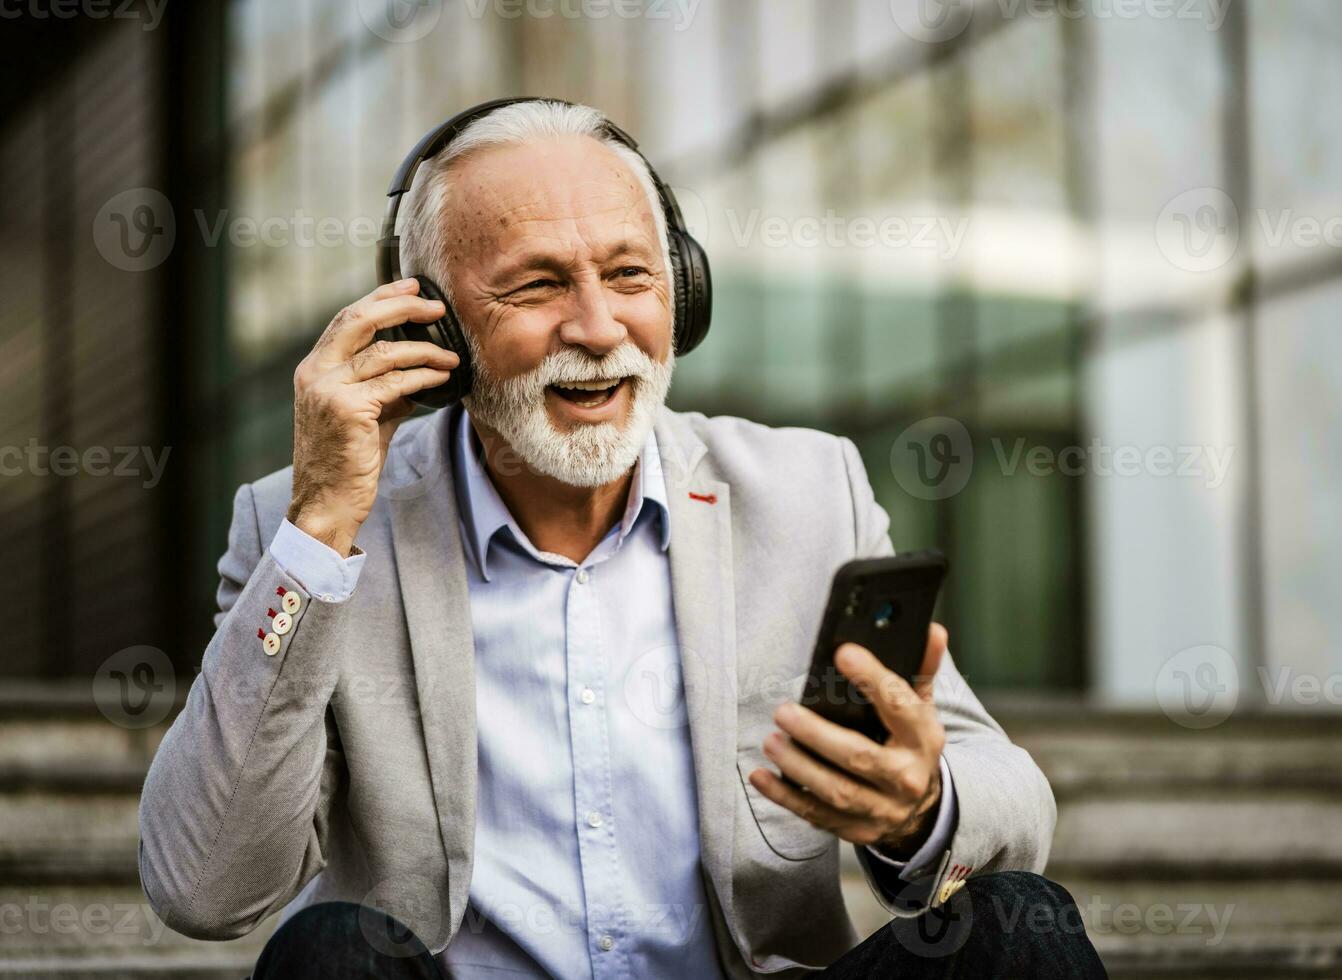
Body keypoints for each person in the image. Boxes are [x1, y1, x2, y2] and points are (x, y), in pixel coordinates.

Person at [138, 98, 1106, 979]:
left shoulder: (808, 492)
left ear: (683, 288)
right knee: (329, 954)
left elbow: (1013, 799)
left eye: (632, 274)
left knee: (1019, 925)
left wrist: (919, 804)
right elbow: (204, 887)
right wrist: (319, 530)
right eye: (537, 286)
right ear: (431, 327)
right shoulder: (312, 526)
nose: (599, 328)